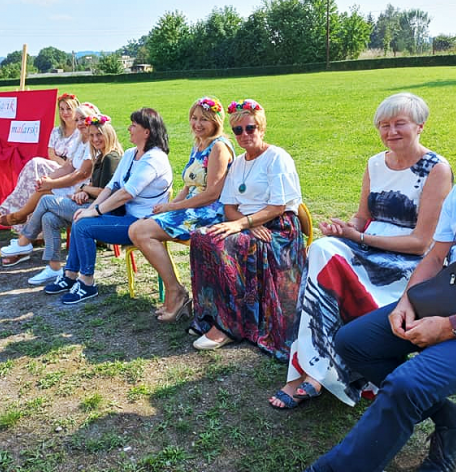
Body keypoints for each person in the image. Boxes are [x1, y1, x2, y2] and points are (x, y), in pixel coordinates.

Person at [303, 80, 456, 472]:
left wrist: (449, 327)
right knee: (353, 342)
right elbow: (435, 257)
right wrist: (407, 303)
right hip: (451, 303)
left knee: (407, 383)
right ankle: (453, 422)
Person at [269, 93, 452, 410]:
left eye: (399, 123)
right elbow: (363, 218)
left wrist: (360, 238)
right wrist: (345, 229)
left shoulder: (436, 169)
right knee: (323, 248)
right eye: (384, 125)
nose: (391, 131)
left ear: (420, 126)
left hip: (409, 262)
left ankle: (316, 369)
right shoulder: (375, 163)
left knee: (329, 259)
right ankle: (313, 366)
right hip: (368, 244)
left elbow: (422, 243)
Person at [188, 99, 305, 359]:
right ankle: (212, 314)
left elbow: (278, 206)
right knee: (200, 237)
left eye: (250, 128)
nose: (244, 135)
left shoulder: (277, 157)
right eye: (238, 130)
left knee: (221, 243)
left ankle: (229, 325)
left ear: (261, 128)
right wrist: (244, 224)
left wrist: (243, 224)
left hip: (278, 228)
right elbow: (229, 206)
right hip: (248, 223)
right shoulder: (239, 162)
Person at [43, 107, 173, 305]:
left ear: (147, 132)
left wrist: (95, 211)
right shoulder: (130, 154)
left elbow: (126, 193)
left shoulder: (154, 158)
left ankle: (86, 282)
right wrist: (90, 209)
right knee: (81, 219)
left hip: (144, 223)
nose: (129, 129)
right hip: (127, 218)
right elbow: (111, 187)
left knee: (83, 226)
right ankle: (70, 276)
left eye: (133, 125)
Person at [128, 96, 234, 322]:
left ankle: (176, 293)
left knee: (141, 231)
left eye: (204, 119)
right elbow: (188, 186)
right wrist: (168, 208)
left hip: (209, 212)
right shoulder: (199, 144)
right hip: (192, 208)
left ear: (216, 121)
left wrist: (172, 206)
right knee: (137, 228)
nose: (197, 124)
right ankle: (175, 291)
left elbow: (212, 194)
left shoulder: (219, 147)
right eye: (194, 118)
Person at [0, 115, 123, 282]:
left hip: (101, 212)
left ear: (109, 134)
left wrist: (84, 188)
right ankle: (54, 267)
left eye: (99, 135)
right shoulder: (101, 156)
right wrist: (84, 192)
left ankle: (25, 240)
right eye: (92, 135)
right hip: (89, 203)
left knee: (45, 200)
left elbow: (105, 191)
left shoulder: (111, 157)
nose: (95, 139)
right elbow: (95, 184)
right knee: (49, 217)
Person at [0, 103, 99, 230]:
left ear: (92, 119)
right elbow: (67, 167)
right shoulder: (79, 141)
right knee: (40, 182)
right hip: (74, 182)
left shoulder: (93, 143)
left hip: (83, 188)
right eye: (76, 120)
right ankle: (26, 225)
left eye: (83, 119)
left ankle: (20, 216)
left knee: (45, 191)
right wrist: (47, 179)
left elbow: (80, 175)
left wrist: (51, 184)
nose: (79, 123)